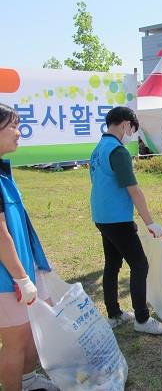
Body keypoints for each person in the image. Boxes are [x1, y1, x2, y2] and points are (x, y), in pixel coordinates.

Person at [89, 106, 162, 335]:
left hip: (103, 216)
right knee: (140, 264)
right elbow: (134, 190)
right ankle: (142, 320)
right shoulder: (118, 151)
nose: (131, 134)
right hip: (115, 218)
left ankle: (114, 314)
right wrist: (150, 223)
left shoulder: (99, 148)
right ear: (125, 124)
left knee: (112, 264)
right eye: (132, 129)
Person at [0, 104, 59, 391]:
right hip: (6, 277)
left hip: (20, 268)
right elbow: (0, 234)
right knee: (15, 341)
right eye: (13, 125)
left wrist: (35, 266)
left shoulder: (3, 171)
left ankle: (28, 380)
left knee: (29, 334)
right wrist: (21, 278)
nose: (19, 132)